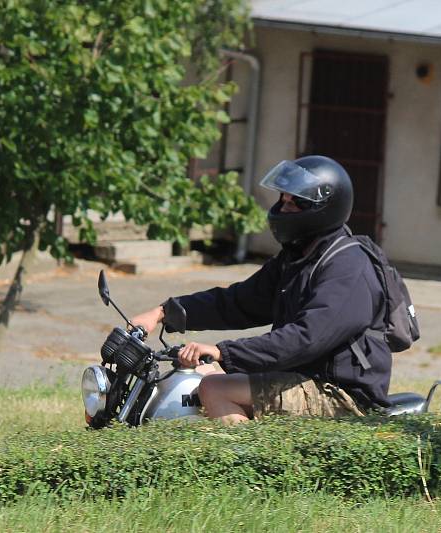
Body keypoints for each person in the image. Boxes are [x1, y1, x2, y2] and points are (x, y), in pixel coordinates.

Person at [131, 155, 392, 424]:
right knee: (203, 372)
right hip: (302, 378)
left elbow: (305, 338)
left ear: (325, 207)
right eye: (283, 199)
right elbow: (236, 302)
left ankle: (245, 462)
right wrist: (163, 313)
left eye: (297, 202)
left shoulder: (348, 267)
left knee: (214, 387)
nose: (284, 207)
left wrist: (224, 352)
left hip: (342, 395)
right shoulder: (298, 258)